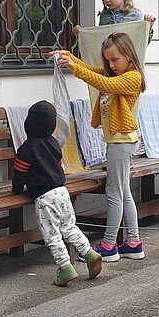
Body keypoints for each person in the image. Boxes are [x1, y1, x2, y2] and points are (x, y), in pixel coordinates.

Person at [50, 32, 146, 262]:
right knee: (123, 191)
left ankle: (109, 245)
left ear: (129, 56)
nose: (111, 65)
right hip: (118, 142)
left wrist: (74, 67)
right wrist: (68, 57)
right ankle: (133, 242)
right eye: (108, 61)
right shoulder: (118, 73)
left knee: (114, 193)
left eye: (115, 60)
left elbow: (102, 82)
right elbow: (93, 72)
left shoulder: (132, 77)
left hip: (121, 143)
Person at [11, 100, 102, 286]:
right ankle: (90, 254)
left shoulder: (26, 149)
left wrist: (17, 189)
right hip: (62, 191)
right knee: (70, 227)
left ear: (28, 124)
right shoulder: (53, 143)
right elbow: (58, 166)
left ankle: (65, 268)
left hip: (45, 197)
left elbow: (20, 173)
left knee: (52, 234)